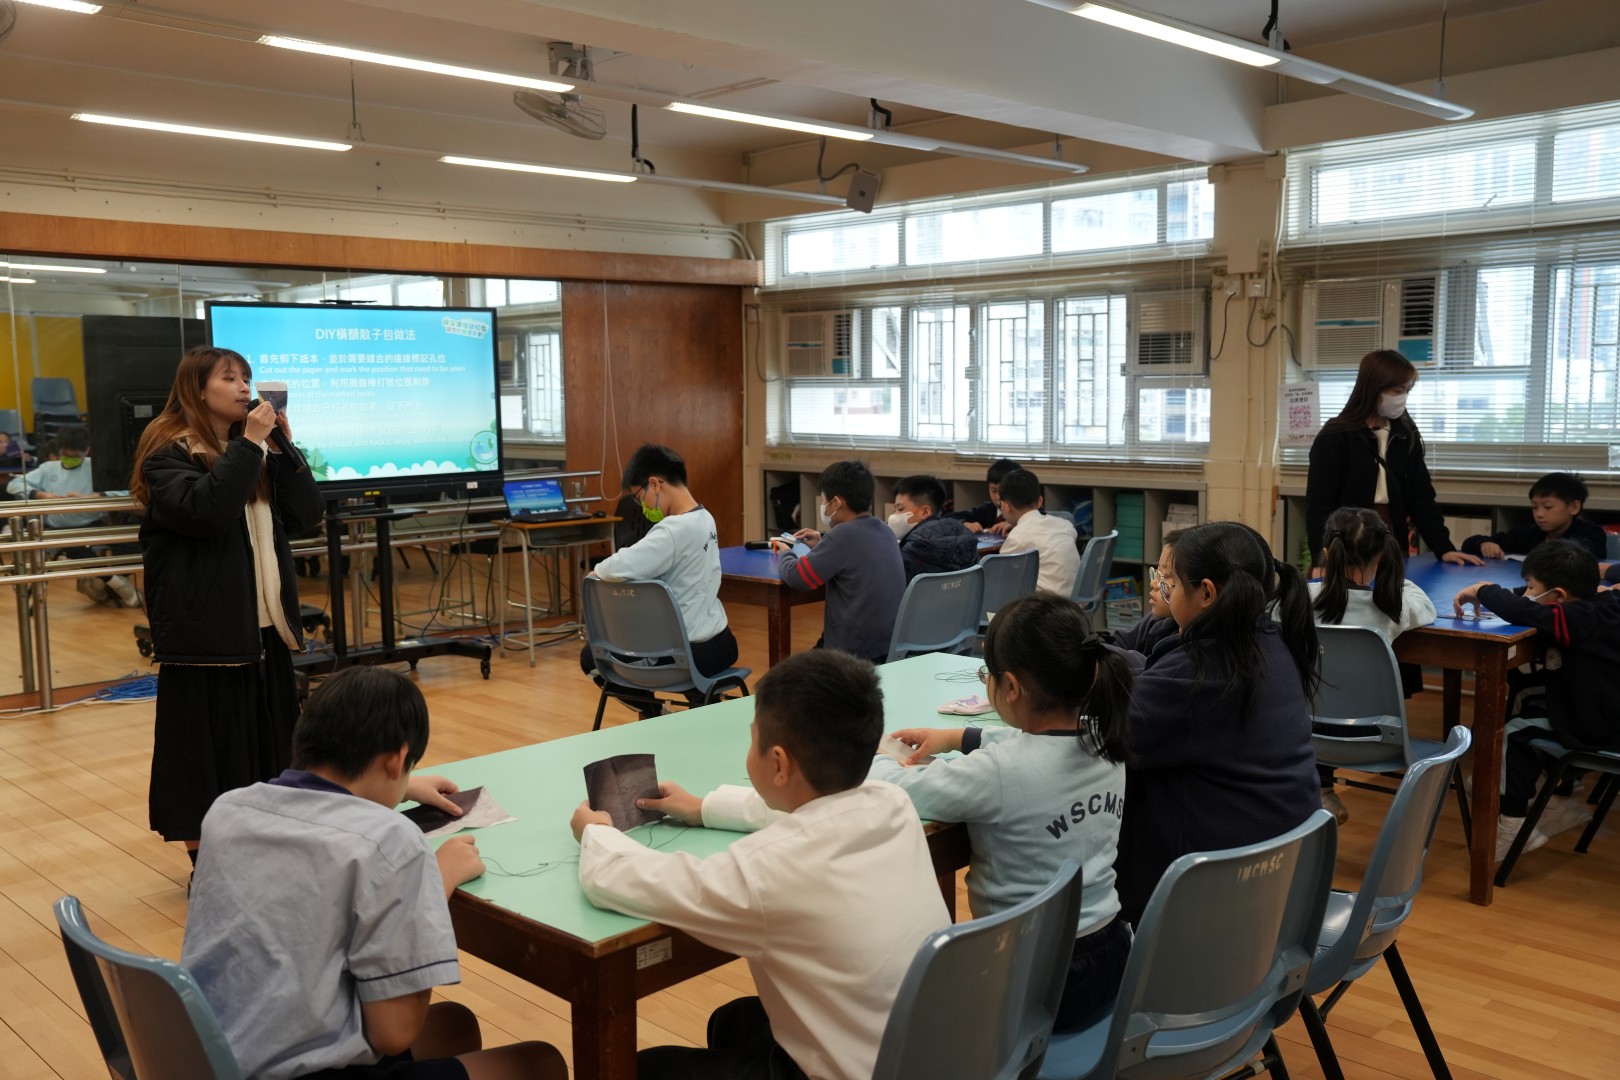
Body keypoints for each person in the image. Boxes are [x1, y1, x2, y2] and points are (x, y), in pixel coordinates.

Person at [570, 650, 950, 1080]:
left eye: (753, 741)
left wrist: (595, 832)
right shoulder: (893, 803)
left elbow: (620, 878)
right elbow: (809, 813)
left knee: (646, 1069)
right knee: (734, 1021)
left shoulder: (767, 870)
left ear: (779, 764)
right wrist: (703, 807)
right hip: (916, 1050)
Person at [183, 667, 566, 1080]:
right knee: (540, 1063)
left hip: (213, 1059)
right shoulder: (391, 842)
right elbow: (394, 1033)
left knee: (455, 1024)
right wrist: (435, 884)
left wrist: (400, 786)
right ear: (397, 760)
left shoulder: (227, 810)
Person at [874, 593, 1135, 1028]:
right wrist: (957, 737)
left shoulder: (999, 773)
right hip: (1112, 957)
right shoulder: (1105, 738)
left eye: (987, 675)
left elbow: (903, 788)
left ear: (1010, 687)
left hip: (1035, 977)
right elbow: (1030, 746)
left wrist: (879, 752)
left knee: (908, 996)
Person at [132, 345, 325, 863]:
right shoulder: (168, 450)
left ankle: (266, 847)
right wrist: (252, 444)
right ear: (197, 390)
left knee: (270, 747)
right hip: (206, 635)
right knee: (204, 754)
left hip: (264, 627)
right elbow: (207, 512)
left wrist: (281, 447)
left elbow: (307, 514)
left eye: (246, 377)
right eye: (229, 378)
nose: (244, 388)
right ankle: (208, 865)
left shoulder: (250, 449)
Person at [1114, 521, 1321, 926]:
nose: (1166, 591)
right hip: (1282, 883)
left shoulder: (1203, 669)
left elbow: (1104, 728)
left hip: (1213, 900)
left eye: (1174, 583)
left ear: (1206, 593)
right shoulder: (1272, 644)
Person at [1454, 541, 1620, 862]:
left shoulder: (1578, 618)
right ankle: (1551, 796)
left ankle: (1512, 826)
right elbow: (1530, 601)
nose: (1526, 592)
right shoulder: (1601, 601)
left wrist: (1482, 589)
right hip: (1602, 703)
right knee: (1526, 691)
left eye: (1531, 586)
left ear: (1558, 596)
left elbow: (1523, 610)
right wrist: (1522, 592)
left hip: (1601, 724)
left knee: (1514, 733)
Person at [581, 445, 737, 717]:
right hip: (720, 644)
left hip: (684, 655)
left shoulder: (672, 530)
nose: (642, 506)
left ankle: (655, 714)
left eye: (639, 497)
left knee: (590, 656)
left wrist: (596, 571)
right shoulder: (705, 518)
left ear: (655, 484)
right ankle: (703, 710)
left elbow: (619, 566)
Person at [1308, 506, 1438, 824]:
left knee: (1321, 687)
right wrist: (1397, 581)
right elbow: (1427, 607)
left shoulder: (1297, 598)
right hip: (1377, 740)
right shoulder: (1394, 606)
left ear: (1327, 553)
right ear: (1380, 555)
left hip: (1307, 735)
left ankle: (1322, 789)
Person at [1304, 349, 1483, 571]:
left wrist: (1443, 547)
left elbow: (1421, 497)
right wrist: (1321, 558)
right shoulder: (1335, 435)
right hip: (1349, 540)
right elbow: (1319, 506)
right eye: (1397, 391)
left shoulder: (1405, 434)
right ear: (1373, 388)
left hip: (1391, 537)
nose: (1402, 398)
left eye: (1407, 391)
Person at [775, 460, 905, 663]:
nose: (822, 506)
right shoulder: (884, 530)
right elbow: (853, 555)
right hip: (885, 647)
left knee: (794, 672)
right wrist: (823, 542)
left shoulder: (842, 535)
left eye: (823, 501)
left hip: (852, 654)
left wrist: (785, 552)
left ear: (836, 503)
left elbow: (798, 577)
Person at [6, 424, 140, 606]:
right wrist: (40, 494)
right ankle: (116, 583)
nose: (70, 459)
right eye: (65, 455)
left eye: (75, 456)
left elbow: (127, 491)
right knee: (78, 550)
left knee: (131, 546)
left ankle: (103, 586)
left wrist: (95, 496)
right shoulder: (48, 469)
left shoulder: (95, 467)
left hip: (93, 524)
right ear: (59, 451)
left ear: (87, 451)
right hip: (59, 528)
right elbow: (14, 484)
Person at [1461, 472, 1608, 561]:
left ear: (1574, 507)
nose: (1539, 514)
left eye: (1548, 507)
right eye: (1534, 507)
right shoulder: (1530, 533)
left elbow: (1582, 558)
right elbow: (1468, 544)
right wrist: (1484, 543)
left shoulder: (1591, 533)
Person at [997, 467, 1080, 598]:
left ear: (1005, 506)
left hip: (1043, 606)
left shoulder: (1017, 538)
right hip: (1072, 602)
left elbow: (1002, 579)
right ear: (1040, 501)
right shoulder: (1064, 525)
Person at [889, 473, 977, 581]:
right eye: (895, 509)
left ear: (925, 511)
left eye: (900, 509)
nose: (894, 515)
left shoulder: (912, 552)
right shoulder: (966, 538)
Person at [1111, 533, 1184, 656]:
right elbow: (1119, 641)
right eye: (1157, 572)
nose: (1153, 584)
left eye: (1166, 576)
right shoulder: (1156, 621)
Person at [947, 457, 1019, 536]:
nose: (998, 497)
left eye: (1004, 491)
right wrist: (963, 524)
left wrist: (1017, 526)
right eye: (994, 491)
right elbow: (946, 519)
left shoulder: (1023, 511)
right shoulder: (987, 510)